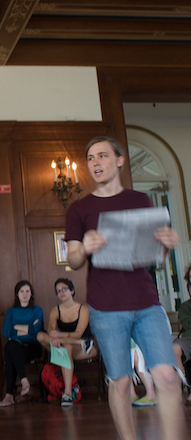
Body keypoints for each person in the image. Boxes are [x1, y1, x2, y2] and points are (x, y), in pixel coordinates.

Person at [66, 135, 186, 440]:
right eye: (91, 158)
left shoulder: (140, 201)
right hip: (105, 307)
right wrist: (86, 248)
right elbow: (75, 260)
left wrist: (168, 247)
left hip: (147, 302)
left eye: (102, 156)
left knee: (168, 377)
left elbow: (154, 256)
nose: (95, 163)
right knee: (120, 382)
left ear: (119, 161)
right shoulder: (79, 209)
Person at [36, 278, 97, 406]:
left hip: (86, 347)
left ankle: (68, 394)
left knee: (67, 347)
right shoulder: (56, 310)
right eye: (58, 291)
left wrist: (59, 335)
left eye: (64, 289)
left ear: (72, 291)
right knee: (40, 336)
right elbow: (50, 330)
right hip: (69, 344)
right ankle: (72, 343)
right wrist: (54, 336)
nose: (61, 293)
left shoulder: (83, 309)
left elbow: (78, 334)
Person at [0, 280, 44, 407]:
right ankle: (24, 381)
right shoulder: (11, 311)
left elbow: (36, 331)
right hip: (16, 347)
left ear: (31, 294)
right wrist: (28, 328)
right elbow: (7, 331)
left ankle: (9, 395)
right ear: (17, 294)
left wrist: (17, 328)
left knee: (10, 350)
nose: (25, 294)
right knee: (11, 346)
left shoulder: (37, 310)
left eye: (27, 291)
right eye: (22, 291)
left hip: (33, 347)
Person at [173, 266, 191, 405]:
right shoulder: (185, 306)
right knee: (175, 348)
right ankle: (178, 390)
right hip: (188, 338)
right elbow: (187, 324)